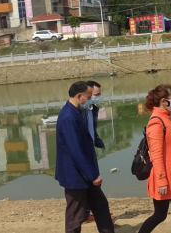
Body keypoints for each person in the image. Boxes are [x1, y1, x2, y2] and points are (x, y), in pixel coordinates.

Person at [55, 81, 114, 233]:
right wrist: (93, 175)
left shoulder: (77, 112)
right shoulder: (68, 116)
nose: (90, 100)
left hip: (86, 174)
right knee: (75, 215)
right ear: (80, 96)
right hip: (75, 175)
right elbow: (75, 151)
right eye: (89, 96)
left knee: (101, 206)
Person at [139, 84, 171, 233]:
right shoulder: (156, 122)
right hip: (164, 175)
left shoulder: (165, 117)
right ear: (163, 101)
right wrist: (161, 180)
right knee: (160, 215)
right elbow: (156, 155)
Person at [82, 81, 116, 224]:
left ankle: (91, 213)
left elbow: (92, 129)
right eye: (95, 94)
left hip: (90, 150)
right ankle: (90, 213)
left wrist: (96, 140)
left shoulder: (92, 109)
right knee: (89, 183)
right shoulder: (78, 111)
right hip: (81, 152)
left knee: (94, 182)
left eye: (98, 94)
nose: (97, 97)